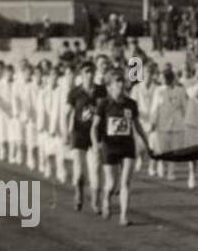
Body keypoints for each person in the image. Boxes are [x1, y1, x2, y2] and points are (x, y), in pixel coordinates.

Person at [91, 70, 149, 226]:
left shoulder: (131, 104)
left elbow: (138, 126)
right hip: (109, 146)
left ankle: (123, 216)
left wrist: (146, 144)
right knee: (111, 184)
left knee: (125, 183)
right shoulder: (103, 104)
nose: (121, 84)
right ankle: (106, 199)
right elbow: (94, 127)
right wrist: (96, 145)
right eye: (117, 82)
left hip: (127, 146)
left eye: (122, 81)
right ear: (109, 86)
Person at [64, 62, 102, 213]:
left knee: (95, 168)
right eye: (87, 72)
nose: (90, 74)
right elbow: (66, 114)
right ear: (81, 74)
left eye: (92, 71)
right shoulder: (74, 92)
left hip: (96, 134)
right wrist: (65, 133)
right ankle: (78, 193)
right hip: (79, 133)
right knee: (79, 170)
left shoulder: (101, 90)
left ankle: (95, 201)